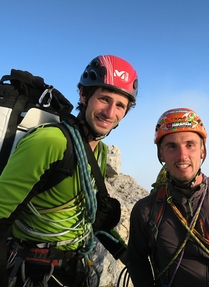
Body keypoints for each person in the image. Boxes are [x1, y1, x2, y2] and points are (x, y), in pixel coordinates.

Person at [0, 55, 139, 287]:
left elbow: (87, 215)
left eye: (120, 106)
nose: (110, 112)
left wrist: (123, 253)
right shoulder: (51, 141)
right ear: (84, 96)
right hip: (31, 270)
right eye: (104, 99)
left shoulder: (100, 152)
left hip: (72, 267)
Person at [128, 107, 209, 287]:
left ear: (202, 151)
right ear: (161, 154)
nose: (182, 155)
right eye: (172, 146)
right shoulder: (147, 210)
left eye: (190, 145)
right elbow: (137, 262)